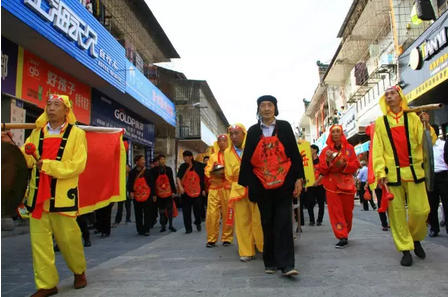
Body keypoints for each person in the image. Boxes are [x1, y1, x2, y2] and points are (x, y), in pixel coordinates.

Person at [2, 94, 88, 296]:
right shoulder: (37, 133)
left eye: (56, 105)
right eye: (48, 104)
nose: (51, 108)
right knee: (39, 243)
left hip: (62, 197)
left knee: (69, 240)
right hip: (37, 196)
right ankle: (46, 284)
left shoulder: (77, 134)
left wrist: (49, 165)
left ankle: (79, 271)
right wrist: (10, 146)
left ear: (66, 110)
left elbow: (78, 165)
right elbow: (26, 159)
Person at [239, 95, 304, 276]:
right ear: (258, 109)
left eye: (270, 105)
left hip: (284, 184)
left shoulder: (284, 127)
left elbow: (294, 153)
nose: (266, 108)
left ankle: (287, 264)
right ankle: (270, 260)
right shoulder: (252, 131)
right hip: (261, 184)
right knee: (267, 223)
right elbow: (247, 160)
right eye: (263, 105)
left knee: (284, 222)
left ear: (275, 108)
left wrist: (299, 178)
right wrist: (249, 185)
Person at [372, 85, 437, 266]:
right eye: (386, 95)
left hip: (414, 171)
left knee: (421, 210)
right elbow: (378, 149)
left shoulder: (413, 118)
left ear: (400, 96)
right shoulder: (381, 122)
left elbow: (427, 142)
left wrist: (426, 125)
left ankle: (415, 238)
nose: (389, 96)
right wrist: (380, 172)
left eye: (392, 93)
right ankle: (405, 248)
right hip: (393, 174)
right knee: (397, 214)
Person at [225, 124, 264, 263]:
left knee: (258, 219)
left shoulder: (252, 148)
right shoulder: (227, 153)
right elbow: (228, 174)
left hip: (254, 187)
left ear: (244, 134)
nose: (234, 137)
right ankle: (246, 251)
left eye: (237, 133)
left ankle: (264, 247)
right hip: (238, 188)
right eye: (232, 134)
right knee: (242, 221)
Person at [319, 125, 360, 249]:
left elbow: (355, 164)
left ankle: (345, 231)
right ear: (330, 134)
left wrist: (345, 164)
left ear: (342, 134)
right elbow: (321, 169)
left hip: (347, 183)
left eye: (338, 131)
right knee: (335, 211)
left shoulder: (350, 149)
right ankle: (342, 236)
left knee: (348, 211)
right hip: (331, 184)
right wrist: (327, 161)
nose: (336, 134)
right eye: (333, 132)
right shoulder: (325, 151)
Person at [204, 135, 233, 247]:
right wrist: (213, 171)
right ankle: (211, 239)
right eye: (219, 141)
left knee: (228, 213)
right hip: (214, 188)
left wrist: (225, 173)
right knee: (212, 214)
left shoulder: (231, 155)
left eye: (224, 140)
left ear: (228, 142)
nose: (222, 143)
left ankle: (227, 238)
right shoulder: (213, 156)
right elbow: (207, 170)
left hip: (227, 187)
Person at [127, 155, 157, 236]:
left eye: (144, 159)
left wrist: (153, 194)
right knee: (138, 213)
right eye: (141, 160)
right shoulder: (132, 172)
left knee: (147, 213)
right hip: (137, 195)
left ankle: (147, 229)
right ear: (137, 162)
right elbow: (129, 183)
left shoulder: (148, 171)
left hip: (147, 195)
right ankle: (140, 229)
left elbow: (151, 183)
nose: (143, 161)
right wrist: (130, 191)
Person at [177, 151, 206, 234]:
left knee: (198, 209)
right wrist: (180, 188)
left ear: (191, 157)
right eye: (184, 157)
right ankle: (188, 228)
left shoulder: (199, 165)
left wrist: (203, 189)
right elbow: (178, 177)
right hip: (186, 192)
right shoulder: (182, 166)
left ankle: (198, 222)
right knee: (186, 211)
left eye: (186, 157)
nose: (184, 158)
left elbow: (204, 177)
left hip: (197, 191)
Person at [427, 125, 448, 237]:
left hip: (443, 176)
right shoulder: (426, 147)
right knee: (432, 205)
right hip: (431, 177)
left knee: (446, 203)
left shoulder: (443, 145)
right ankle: (434, 228)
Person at [152, 155, 177, 233]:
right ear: (158, 161)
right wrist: (154, 194)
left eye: (163, 159)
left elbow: (171, 181)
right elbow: (152, 183)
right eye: (161, 159)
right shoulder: (154, 170)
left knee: (170, 209)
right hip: (159, 193)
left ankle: (170, 225)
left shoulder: (169, 169)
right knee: (161, 210)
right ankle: (163, 225)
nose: (162, 160)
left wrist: (173, 191)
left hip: (168, 192)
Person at [306, 144, 326, 226]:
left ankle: (319, 220)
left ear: (315, 150)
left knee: (321, 203)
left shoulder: (321, 160)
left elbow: (323, 172)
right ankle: (311, 219)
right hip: (310, 184)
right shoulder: (307, 160)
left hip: (320, 184)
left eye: (310, 149)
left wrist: (317, 181)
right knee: (309, 202)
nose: (309, 151)